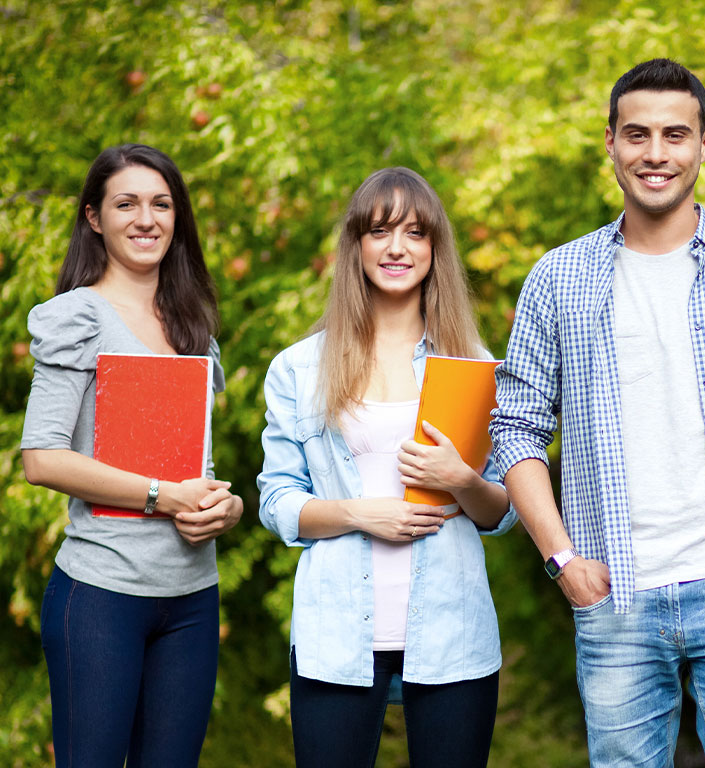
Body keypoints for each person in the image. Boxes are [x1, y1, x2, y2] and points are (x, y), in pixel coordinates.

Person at [489, 58, 705, 766]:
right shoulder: (559, 276)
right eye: (638, 135)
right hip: (614, 593)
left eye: (675, 135)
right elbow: (516, 426)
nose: (657, 154)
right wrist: (563, 561)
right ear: (611, 143)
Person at [257, 167, 515, 768]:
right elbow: (276, 502)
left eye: (415, 233)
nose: (397, 248)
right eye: (379, 232)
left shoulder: (477, 368)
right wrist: (358, 514)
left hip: (454, 634)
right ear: (356, 246)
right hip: (335, 637)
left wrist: (462, 480)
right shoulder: (299, 369)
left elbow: (503, 511)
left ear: (434, 250)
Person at [20, 144, 243, 767]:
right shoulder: (78, 317)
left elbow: (192, 468)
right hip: (101, 594)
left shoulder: (192, 324)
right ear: (94, 218)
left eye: (161, 204)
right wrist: (160, 496)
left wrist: (223, 507)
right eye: (126, 203)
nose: (146, 219)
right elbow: (41, 459)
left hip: (194, 597)